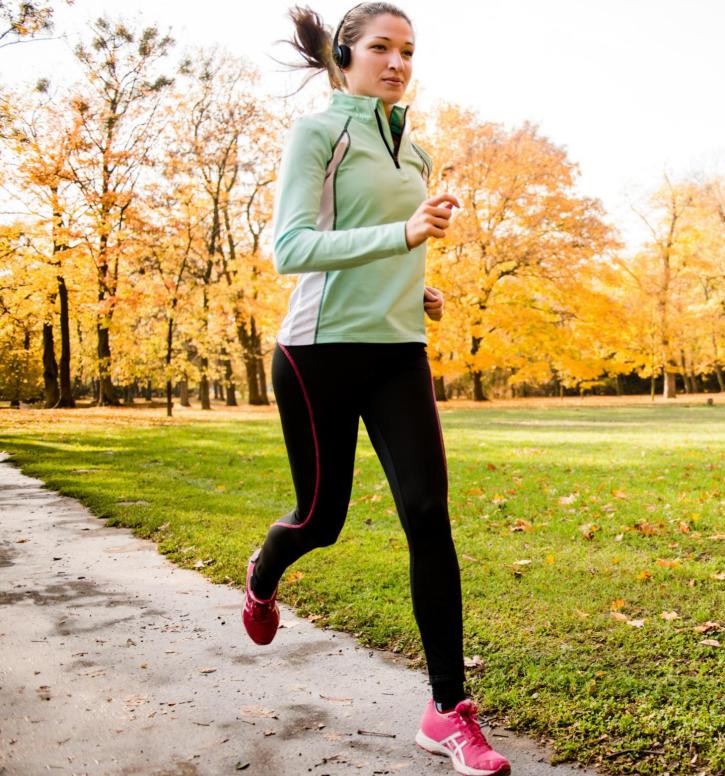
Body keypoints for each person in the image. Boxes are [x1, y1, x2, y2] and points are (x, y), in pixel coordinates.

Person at [240, 5, 510, 774]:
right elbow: (292, 247)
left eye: (409, 51)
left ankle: (447, 711)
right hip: (318, 351)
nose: (398, 62)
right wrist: (403, 239)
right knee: (321, 521)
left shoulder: (416, 149)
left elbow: (388, 243)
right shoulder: (318, 133)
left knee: (428, 514)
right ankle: (264, 574)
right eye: (383, 48)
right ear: (345, 55)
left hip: (397, 352)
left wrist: (413, 285)